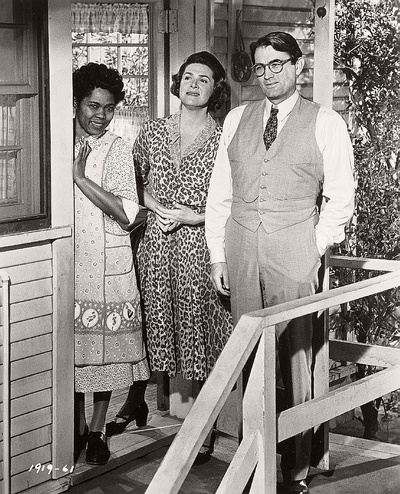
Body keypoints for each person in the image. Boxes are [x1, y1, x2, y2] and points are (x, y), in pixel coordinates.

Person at [205, 32, 355, 493]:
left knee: (296, 357)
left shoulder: (326, 122)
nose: (268, 75)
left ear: (297, 67)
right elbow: (220, 192)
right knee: (250, 358)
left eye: (277, 65)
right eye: (261, 67)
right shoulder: (236, 119)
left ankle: (297, 467)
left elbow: (341, 197)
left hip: (294, 249)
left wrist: (313, 245)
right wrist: (218, 254)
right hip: (241, 248)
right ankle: (254, 459)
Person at [106, 51, 232, 463]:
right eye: (188, 77)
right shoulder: (153, 130)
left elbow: (231, 197)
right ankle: (136, 400)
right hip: (156, 245)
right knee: (152, 324)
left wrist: (194, 216)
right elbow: (132, 179)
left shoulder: (223, 138)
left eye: (204, 79)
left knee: (200, 333)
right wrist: (156, 205)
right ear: (178, 83)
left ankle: (205, 428)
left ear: (215, 89)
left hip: (199, 247)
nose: (194, 84)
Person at [73, 62, 150, 466]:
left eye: (108, 108)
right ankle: (75, 428)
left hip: (108, 263)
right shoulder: (57, 140)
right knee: (73, 352)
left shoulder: (118, 148)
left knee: (106, 355)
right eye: (93, 106)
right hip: (71, 263)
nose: (101, 116)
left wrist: (81, 178)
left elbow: (126, 213)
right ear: (76, 103)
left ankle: (98, 429)